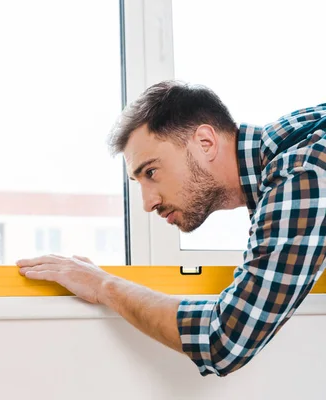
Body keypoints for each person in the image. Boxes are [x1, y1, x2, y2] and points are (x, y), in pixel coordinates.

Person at [16, 80, 326, 377]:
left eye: (151, 171)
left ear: (205, 142)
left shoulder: (299, 175)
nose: (147, 203)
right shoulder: (294, 141)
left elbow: (226, 339)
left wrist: (102, 285)